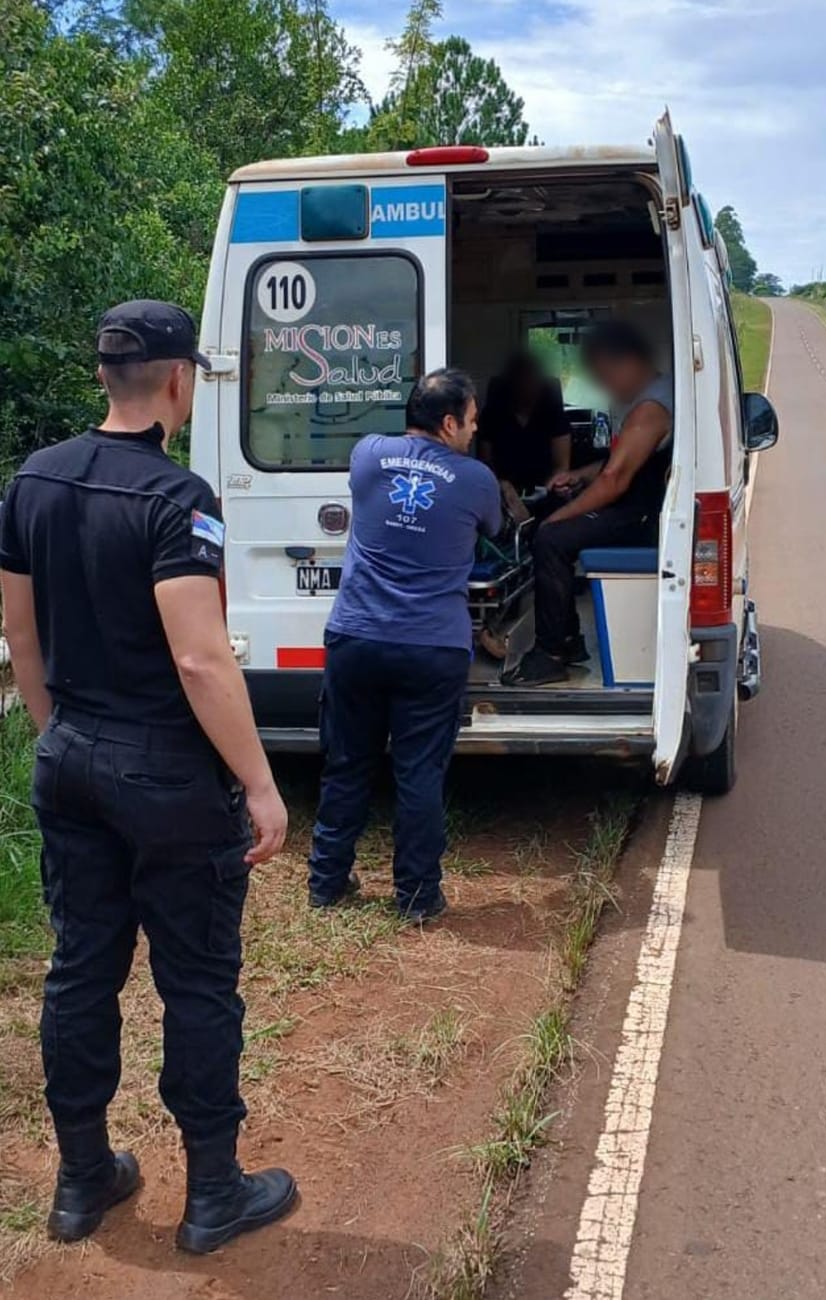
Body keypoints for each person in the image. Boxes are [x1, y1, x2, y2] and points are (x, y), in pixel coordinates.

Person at [0, 301, 297, 1253]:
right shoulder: (181, 500)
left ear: (102, 376)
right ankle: (215, 1192)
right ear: (179, 382)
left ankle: (83, 1180)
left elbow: (21, 631)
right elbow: (202, 662)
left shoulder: (32, 481)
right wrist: (259, 784)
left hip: (71, 756)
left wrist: (59, 734)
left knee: (81, 969)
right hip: (166, 774)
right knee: (199, 982)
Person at [308, 369, 501, 921]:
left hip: (357, 636)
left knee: (346, 764)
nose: (474, 428)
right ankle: (417, 897)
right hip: (430, 646)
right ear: (448, 422)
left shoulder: (368, 454)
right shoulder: (475, 478)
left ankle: (326, 883)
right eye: (470, 420)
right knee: (418, 773)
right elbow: (491, 524)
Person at [503, 320, 673, 686]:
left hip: (642, 515)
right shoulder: (652, 396)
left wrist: (559, 519)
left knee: (550, 537)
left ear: (629, 362)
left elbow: (615, 480)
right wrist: (579, 475)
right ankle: (568, 640)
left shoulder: (650, 409)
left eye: (606, 376)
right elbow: (618, 462)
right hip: (633, 505)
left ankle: (551, 653)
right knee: (546, 517)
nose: (606, 387)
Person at [478, 350, 572, 496]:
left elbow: (561, 465)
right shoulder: (492, 415)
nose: (526, 385)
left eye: (531, 379)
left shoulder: (554, 415)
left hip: (545, 491)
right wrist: (500, 488)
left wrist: (550, 488)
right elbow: (486, 462)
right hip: (502, 493)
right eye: (521, 379)